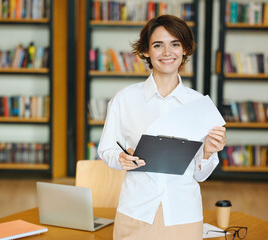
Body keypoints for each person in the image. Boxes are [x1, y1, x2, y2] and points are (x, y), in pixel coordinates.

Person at [98, 15, 226, 240]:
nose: (167, 52)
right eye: (158, 45)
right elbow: (105, 150)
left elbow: (200, 175)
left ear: (185, 49)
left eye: (175, 44)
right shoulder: (124, 99)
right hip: (136, 210)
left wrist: (207, 152)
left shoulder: (200, 105)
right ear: (146, 52)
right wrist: (120, 158)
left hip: (184, 213)